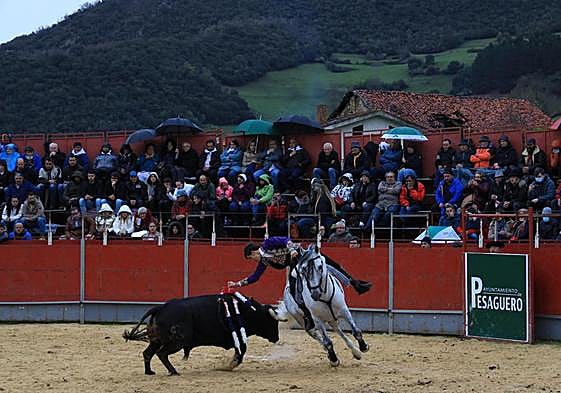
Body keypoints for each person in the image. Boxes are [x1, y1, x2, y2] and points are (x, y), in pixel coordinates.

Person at [227, 237, 372, 331]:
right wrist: (237, 284)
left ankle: (356, 284)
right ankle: (308, 317)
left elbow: (285, 240)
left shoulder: (267, 244)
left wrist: (291, 249)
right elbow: (255, 277)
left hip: (303, 256)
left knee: (330, 265)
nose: (252, 260)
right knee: (293, 291)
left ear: (253, 253)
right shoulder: (264, 261)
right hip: (295, 267)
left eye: (250, 258)